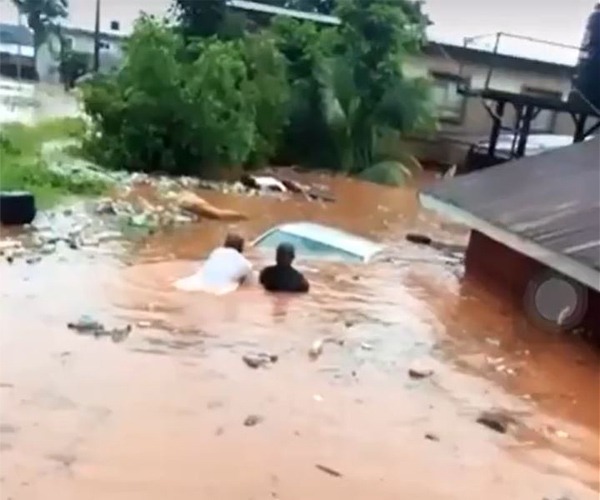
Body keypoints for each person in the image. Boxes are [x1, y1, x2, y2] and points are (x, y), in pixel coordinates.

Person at [175, 233, 252, 294]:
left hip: (197, 282)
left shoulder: (216, 252)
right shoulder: (246, 263)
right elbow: (245, 282)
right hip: (222, 289)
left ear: (225, 244)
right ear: (241, 248)